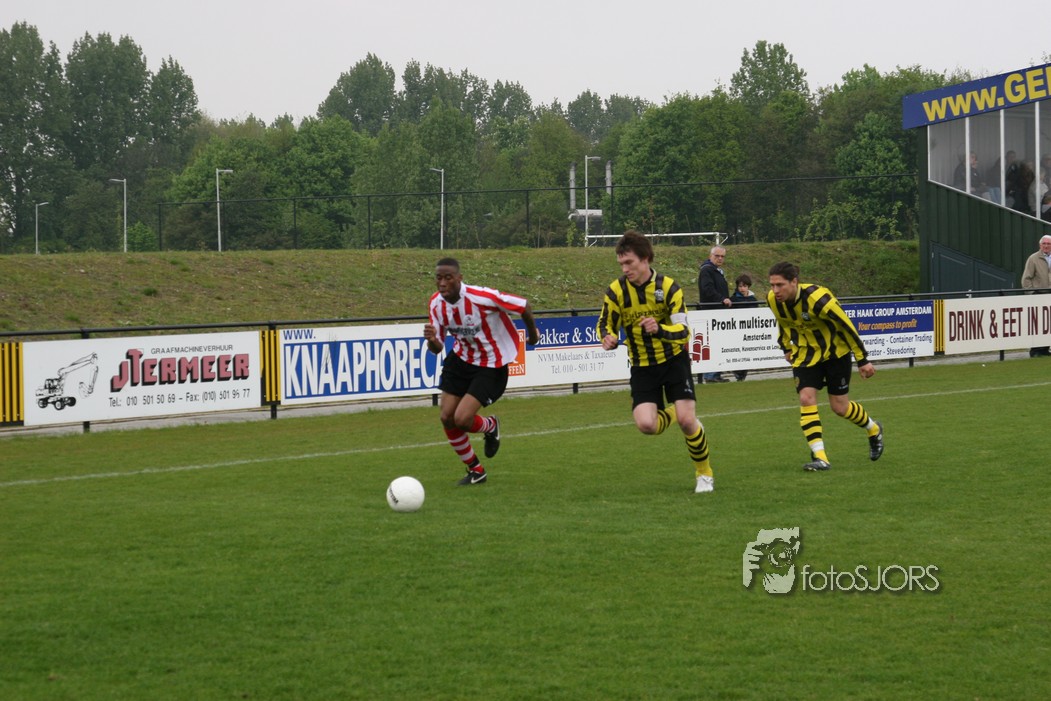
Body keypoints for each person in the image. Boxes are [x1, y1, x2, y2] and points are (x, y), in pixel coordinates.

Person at [599, 231, 717, 493]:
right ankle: (678, 412)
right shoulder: (616, 291)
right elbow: (605, 324)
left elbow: (684, 332)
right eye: (621, 264)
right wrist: (607, 337)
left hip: (673, 361)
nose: (624, 269)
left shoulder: (669, 287)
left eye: (629, 262)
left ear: (645, 259)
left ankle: (704, 473)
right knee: (646, 425)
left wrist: (659, 329)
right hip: (642, 366)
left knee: (688, 422)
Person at [424, 257, 540, 485]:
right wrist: (431, 340)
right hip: (461, 359)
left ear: (459, 278)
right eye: (439, 278)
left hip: (491, 364)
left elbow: (523, 306)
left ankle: (490, 426)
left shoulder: (482, 297)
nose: (443, 283)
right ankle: (476, 471)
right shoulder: (436, 304)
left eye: (448, 278)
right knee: (446, 417)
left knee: (462, 419)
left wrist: (533, 335)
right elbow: (437, 348)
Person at [766, 261, 884, 472]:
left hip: (835, 354)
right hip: (805, 355)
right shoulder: (773, 300)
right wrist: (786, 347)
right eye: (772, 285)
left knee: (840, 407)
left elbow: (846, 326)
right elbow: (783, 323)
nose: (775, 290)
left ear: (794, 282)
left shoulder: (818, 299)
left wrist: (862, 359)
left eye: (780, 285)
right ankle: (820, 457)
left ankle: (873, 428)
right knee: (806, 398)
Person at [697, 245, 732, 383]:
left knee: (718, 343)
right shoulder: (707, 270)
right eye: (717, 256)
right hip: (711, 311)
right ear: (710, 256)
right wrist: (722, 299)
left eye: (722, 256)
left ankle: (715, 374)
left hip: (718, 312)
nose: (720, 258)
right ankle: (710, 375)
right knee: (712, 343)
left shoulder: (716, 271)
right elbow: (707, 289)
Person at [1020, 235, 1051, 357]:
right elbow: (1026, 279)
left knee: (1048, 324)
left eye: (1049, 244)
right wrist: (1032, 294)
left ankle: (1045, 349)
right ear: (1040, 245)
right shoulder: (1033, 258)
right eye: (1044, 243)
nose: (1046, 246)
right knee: (1038, 324)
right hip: (1039, 296)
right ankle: (1035, 350)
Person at [730, 273, 759, 381]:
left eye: (744, 286)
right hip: (736, 330)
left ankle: (742, 374)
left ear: (748, 287)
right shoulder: (733, 299)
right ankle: (737, 372)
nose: (742, 288)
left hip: (749, 330)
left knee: (747, 352)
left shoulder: (753, 299)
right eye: (740, 286)